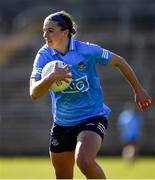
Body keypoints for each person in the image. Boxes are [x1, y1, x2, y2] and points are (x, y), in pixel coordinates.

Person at [29, 10, 152, 179]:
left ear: (65, 32)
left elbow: (119, 61)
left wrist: (139, 90)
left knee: (84, 161)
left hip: (92, 116)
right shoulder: (43, 56)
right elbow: (34, 92)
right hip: (62, 123)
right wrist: (51, 78)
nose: (45, 35)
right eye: (43, 30)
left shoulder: (86, 50)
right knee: (63, 177)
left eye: (50, 30)